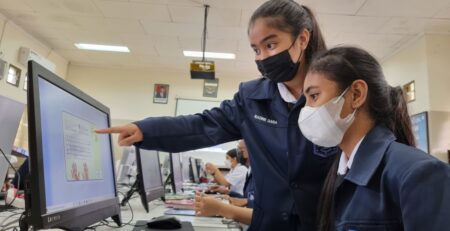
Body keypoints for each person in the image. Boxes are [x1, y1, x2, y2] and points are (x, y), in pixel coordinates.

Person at [96, 1, 336, 230]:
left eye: (270, 45)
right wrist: (145, 130)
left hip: (325, 223)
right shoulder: (251, 98)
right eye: (256, 49)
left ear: (302, 39)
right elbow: (202, 126)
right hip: (269, 224)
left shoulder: (335, 93)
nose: (262, 57)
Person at [298, 46, 450, 231]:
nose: (306, 110)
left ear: (356, 94)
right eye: (305, 100)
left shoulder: (419, 173)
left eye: (314, 96)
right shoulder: (338, 173)